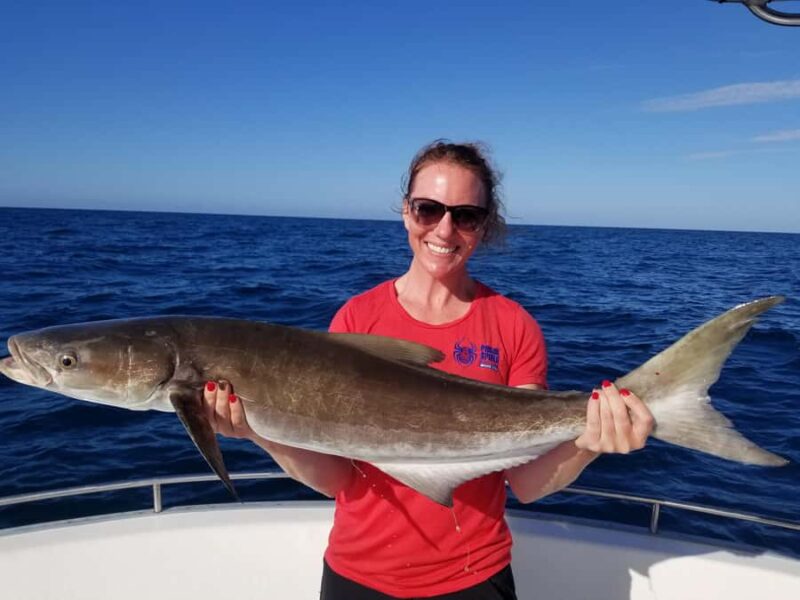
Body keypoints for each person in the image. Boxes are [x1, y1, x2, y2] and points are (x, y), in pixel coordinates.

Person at [203, 140, 654, 599]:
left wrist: (589, 442)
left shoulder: (514, 326)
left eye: (465, 215)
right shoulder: (357, 319)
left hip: (476, 577)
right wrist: (258, 431)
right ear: (406, 212)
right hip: (358, 575)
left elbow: (527, 483)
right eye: (427, 209)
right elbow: (336, 479)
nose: (444, 229)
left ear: (484, 225)